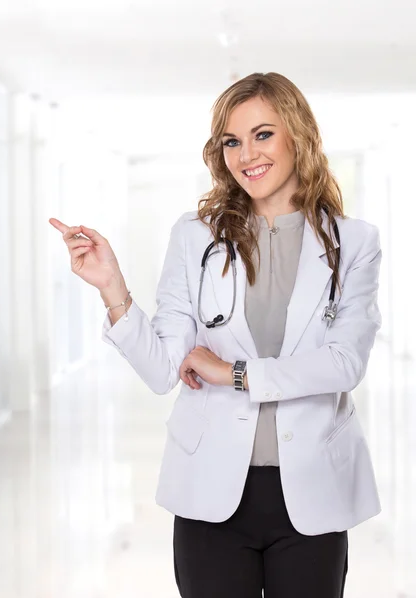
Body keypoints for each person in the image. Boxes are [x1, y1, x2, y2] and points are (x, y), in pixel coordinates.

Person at [49, 72, 382, 598]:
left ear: (299, 134)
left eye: (263, 134)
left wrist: (234, 373)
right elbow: (164, 369)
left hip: (312, 491)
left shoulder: (353, 243)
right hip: (211, 490)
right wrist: (111, 286)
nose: (246, 154)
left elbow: (344, 364)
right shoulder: (196, 236)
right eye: (232, 141)